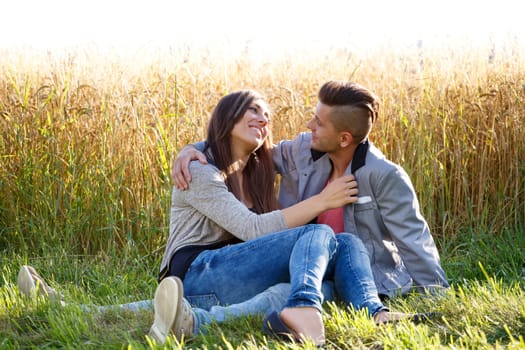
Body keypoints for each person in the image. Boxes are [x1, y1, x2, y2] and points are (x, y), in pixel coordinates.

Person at [18, 89, 409, 347]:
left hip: (232, 277)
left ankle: (372, 313)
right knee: (316, 237)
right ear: (228, 116)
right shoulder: (200, 170)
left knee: (332, 257)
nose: (263, 118)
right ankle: (308, 306)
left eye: (268, 114)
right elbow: (254, 229)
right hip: (198, 270)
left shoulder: (261, 166)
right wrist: (323, 200)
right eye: (253, 109)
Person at [172, 81, 449, 299]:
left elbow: (414, 238)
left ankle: (200, 318)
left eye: (319, 123)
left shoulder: (383, 175)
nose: (309, 126)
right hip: (300, 265)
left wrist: (436, 292)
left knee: (289, 293)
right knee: (313, 251)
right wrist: (191, 150)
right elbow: (237, 150)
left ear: (344, 138)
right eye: (313, 118)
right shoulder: (303, 152)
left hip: (354, 276)